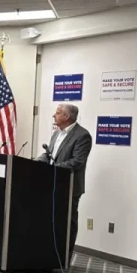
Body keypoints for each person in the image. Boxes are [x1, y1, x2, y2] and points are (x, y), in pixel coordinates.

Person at [37, 103, 93, 263]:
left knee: (67, 222)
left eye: (58, 113)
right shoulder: (56, 133)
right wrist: (38, 161)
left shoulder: (82, 135)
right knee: (51, 220)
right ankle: (48, 254)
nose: (54, 115)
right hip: (52, 184)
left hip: (69, 187)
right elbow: (49, 154)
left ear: (67, 117)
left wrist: (52, 168)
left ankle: (63, 258)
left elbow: (77, 161)